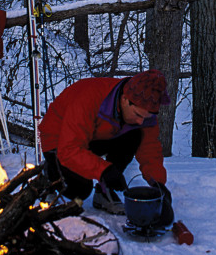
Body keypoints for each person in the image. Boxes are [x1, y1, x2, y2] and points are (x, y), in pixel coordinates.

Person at [39, 69, 173, 224]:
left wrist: (158, 184)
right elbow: (69, 149)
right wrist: (104, 170)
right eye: (137, 115)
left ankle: (104, 191)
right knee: (79, 191)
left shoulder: (144, 107)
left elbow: (149, 148)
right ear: (124, 99)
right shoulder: (89, 98)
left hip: (95, 136)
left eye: (146, 118)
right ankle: (49, 173)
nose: (141, 121)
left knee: (135, 135)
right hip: (58, 140)